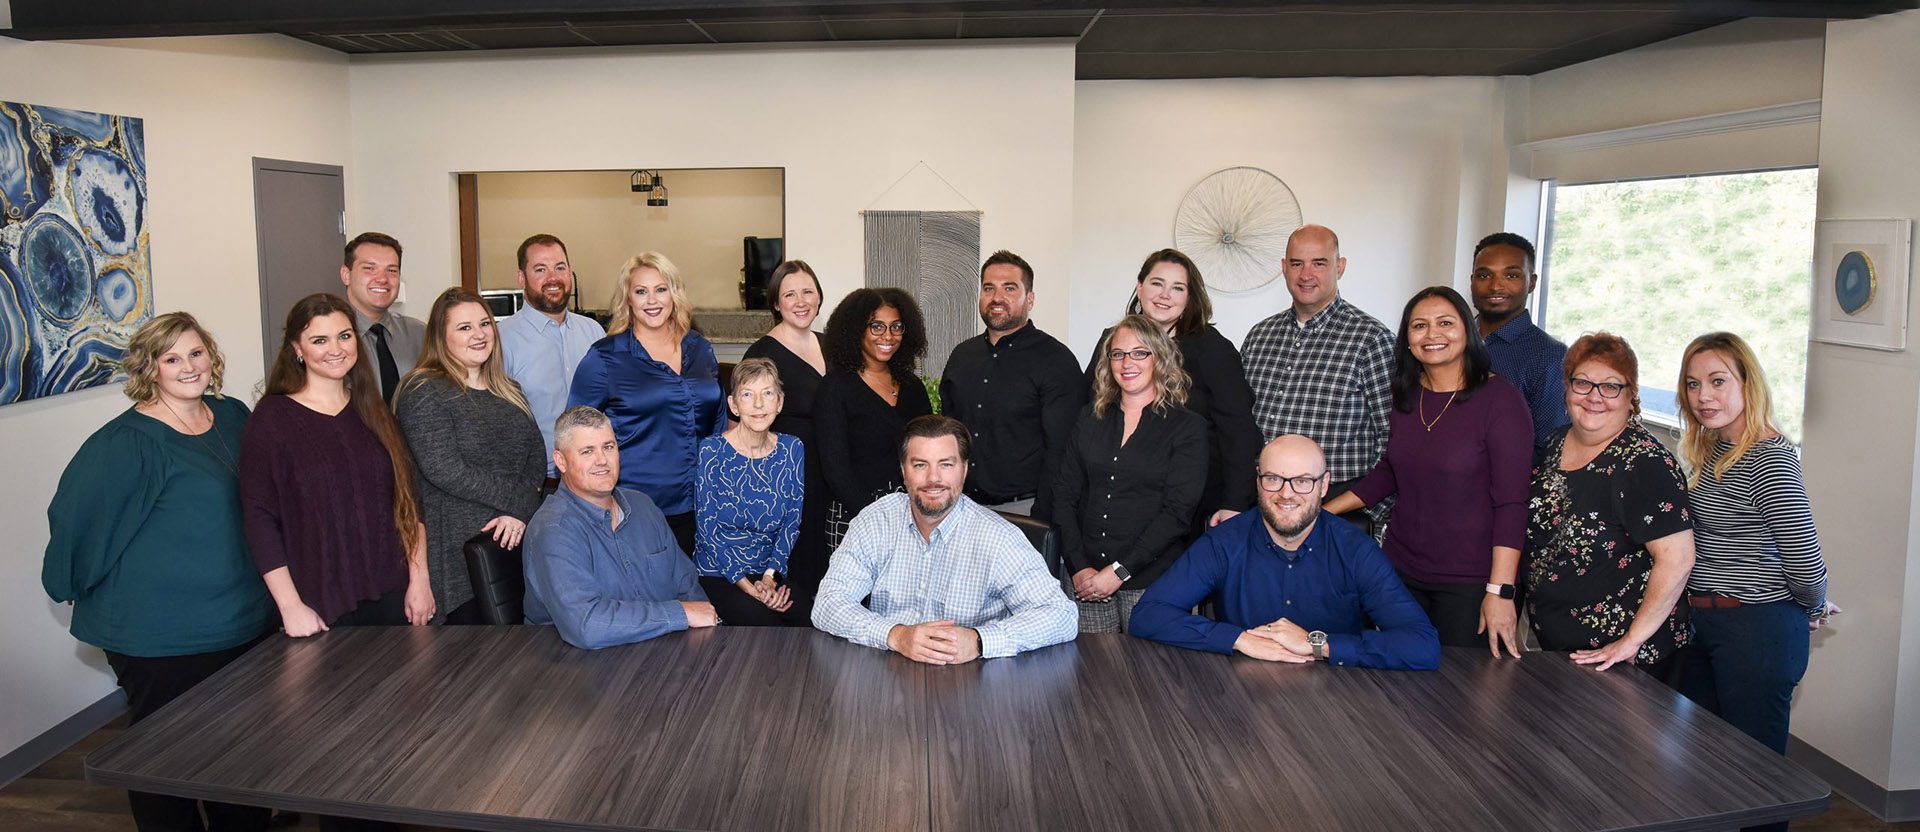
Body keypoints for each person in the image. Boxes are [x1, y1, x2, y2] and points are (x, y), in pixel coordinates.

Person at [43, 312, 276, 832]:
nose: (188, 366)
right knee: (166, 760)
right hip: (160, 639)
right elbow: (80, 526)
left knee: (241, 750)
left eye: (196, 353)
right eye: (171, 358)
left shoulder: (232, 414)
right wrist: (66, 583)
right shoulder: (126, 444)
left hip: (244, 622)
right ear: (149, 369)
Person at [1324, 286, 1531, 656]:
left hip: (1470, 581)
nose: (1432, 334)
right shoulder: (1405, 394)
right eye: (1420, 325)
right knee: (1398, 687)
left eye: (1445, 323)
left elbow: (1513, 503)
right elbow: (1391, 470)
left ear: (1467, 331)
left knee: (1461, 697)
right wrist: (1323, 513)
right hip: (1401, 571)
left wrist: (1501, 591)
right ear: (1406, 339)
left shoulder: (1501, 401)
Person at [1130, 435, 1440, 671]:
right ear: (1258, 482)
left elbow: (1422, 645)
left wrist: (1318, 645)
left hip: (1339, 701)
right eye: (1273, 479)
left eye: (1303, 481)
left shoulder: (1356, 551)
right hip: (1241, 695)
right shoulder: (1224, 541)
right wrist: (1240, 639)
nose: (1286, 493)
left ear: (1323, 485)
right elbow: (1148, 614)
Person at [1677, 332, 1836, 775]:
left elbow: (1803, 556)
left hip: (1756, 630)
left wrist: (1814, 603)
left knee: (1755, 777)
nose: (1703, 396)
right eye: (1692, 384)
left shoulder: (1769, 458)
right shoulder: (1713, 446)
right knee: (1702, 770)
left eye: (1717, 381)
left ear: (1749, 384)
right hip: (1707, 622)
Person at [241, 293, 432, 634]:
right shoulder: (272, 419)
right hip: (317, 605)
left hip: (393, 594)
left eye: (344, 336)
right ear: (297, 350)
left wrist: (420, 581)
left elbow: (409, 501)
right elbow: (259, 519)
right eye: (319, 340)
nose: (336, 348)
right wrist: (290, 606)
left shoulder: (373, 410)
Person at [813, 415, 1077, 662]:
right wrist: (896, 635)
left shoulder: (997, 537)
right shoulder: (876, 522)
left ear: (963, 471)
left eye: (946, 465)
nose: (933, 479)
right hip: (888, 679)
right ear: (904, 471)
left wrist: (979, 641)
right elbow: (827, 603)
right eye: (920, 465)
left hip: (973, 686)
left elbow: (1061, 616)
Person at [1524, 333, 1694, 682]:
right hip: (1562, 648)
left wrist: (1630, 642)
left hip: (1625, 662)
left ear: (1631, 395)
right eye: (1583, 383)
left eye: (1611, 387)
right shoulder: (1557, 440)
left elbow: (1678, 560)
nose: (1594, 397)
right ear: (1566, 388)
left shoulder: (1645, 463)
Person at [395, 288, 547, 624]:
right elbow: (445, 470)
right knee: (471, 665)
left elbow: (537, 456)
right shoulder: (423, 391)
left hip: (516, 541)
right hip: (457, 553)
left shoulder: (509, 389)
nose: (479, 335)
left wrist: (518, 512)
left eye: (485, 324)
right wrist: (518, 502)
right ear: (441, 336)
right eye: (464, 328)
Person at [1083, 249, 1261, 531]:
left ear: (1189, 298)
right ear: (1140, 288)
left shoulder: (1213, 350)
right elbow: (1091, 412)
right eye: (1157, 284)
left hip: (1191, 503)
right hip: (1120, 496)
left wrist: (1235, 503)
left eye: (1177, 288)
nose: (1165, 295)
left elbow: (1238, 431)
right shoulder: (1112, 340)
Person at [1056, 315, 1207, 633]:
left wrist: (1118, 572)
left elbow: (1177, 513)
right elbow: (1066, 494)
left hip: (1154, 582)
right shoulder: (1090, 417)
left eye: (1140, 353)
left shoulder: (1187, 427)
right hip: (1086, 579)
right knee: (1092, 677)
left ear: (1159, 358)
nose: (1127, 362)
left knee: (1154, 677)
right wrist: (1078, 566)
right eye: (1118, 353)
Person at [568, 252, 726, 556]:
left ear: (674, 294)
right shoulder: (605, 357)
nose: (652, 300)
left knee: (702, 597)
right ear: (628, 299)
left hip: (706, 504)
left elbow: (718, 421)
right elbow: (574, 436)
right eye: (641, 291)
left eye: (661, 289)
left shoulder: (700, 348)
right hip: (635, 508)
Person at [1238, 225, 1394, 530]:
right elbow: (1239, 423)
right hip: (1262, 501)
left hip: (1335, 505)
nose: (1306, 274)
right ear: (1284, 268)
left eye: (1319, 263)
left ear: (1340, 267)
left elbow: (1392, 440)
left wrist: (1365, 515)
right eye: (1297, 263)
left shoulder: (1372, 339)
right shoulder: (1259, 336)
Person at [523, 406, 718, 649]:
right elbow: (588, 624)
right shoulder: (553, 529)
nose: (602, 460)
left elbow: (688, 586)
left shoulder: (643, 505)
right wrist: (680, 614)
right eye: (587, 451)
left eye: (608, 447)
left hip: (659, 650)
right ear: (560, 461)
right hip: (573, 668)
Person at [940, 250, 1085, 520]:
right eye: (989, 288)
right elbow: (948, 430)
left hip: (1024, 510)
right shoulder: (962, 355)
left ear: (1029, 298)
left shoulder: (1056, 360)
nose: (997, 297)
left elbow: (1063, 448)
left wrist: (1042, 514)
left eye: (1009, 288)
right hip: (960, 507)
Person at [814, 287, 933, 547]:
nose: (888, 336)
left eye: (896, 326)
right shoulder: (835, 387)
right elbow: (836, 470)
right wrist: (877, 519)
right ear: (856, 329)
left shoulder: (912, 386)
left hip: (910, 516)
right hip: (854, 517)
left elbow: (929, 453)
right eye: (876, 326)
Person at [694, 358, 809, 626]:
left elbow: (792, 523)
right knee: (761, 621)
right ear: (734, 405)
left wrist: (769, 579)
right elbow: (706, 530)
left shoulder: (792, 449)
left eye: (767, 394)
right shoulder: (712, 451)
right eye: (748, 395)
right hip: (719, 572)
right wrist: (750, 588)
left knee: (805, 614)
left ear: (779, 402)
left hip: (768, 570)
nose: (759, 404)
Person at [742, 260, 829, 595]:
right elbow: (745, 424)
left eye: (808, 291)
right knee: (799, 569)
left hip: (827, 471)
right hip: (787, 476)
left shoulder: (831, 343)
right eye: (789, 294)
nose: (801, 300)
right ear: (777, 303)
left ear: (819, 297)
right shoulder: (761, 354)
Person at [497, 233, 606, 483]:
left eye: (560, 267)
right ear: (521, 278)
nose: (553, 278)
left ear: (570, 272)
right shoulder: (501, 341)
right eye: (540, 269)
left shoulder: (594, 333)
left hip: (595, 478)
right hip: (537, 483)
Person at [1471, 232, 1570, 457]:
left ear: (1532, 282)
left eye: (1512, 276)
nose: (1496, 286)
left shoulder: (1550, 355)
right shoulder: (1449, 340)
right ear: (1472, 280)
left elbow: (1548, 448)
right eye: (1484, 275)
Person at [339, 231, 425, 404]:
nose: (382, 279)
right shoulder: (327, 337)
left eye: (391, 270)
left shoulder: (419, 334)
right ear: (346, 275)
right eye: (370, 268)